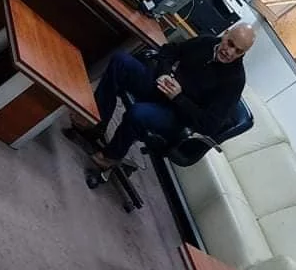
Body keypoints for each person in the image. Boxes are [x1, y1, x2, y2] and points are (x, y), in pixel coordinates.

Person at [72, 22, 256, 170]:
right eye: (230, 43)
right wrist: (164, 73)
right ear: (226, 34)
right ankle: (97, 123)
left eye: (238, 51)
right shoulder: (206, 42)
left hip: (178, 116)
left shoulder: (234, 80)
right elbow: (170, 50)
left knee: (138, 113)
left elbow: (209, 125)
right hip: (162, 89)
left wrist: (178, 97)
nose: (230, 52)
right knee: (121, 61)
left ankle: (111, 156)